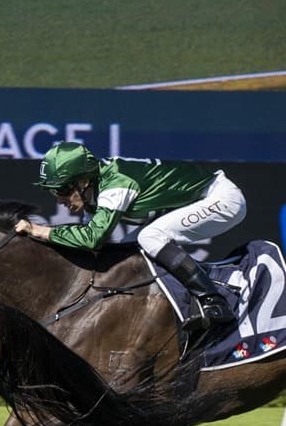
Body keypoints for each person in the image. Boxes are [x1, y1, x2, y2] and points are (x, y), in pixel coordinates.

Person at [15, 141, 247, 331]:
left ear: (83, 181)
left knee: (150, 237)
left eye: (63, 190)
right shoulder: (94, 189)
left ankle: (214, 302)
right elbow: (92, 246)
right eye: (53, 192)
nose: (59, 200)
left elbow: (91, 238)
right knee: (125, 250)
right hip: (197, 200)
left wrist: (39, 230)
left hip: (221, 199)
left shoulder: (116, 184)